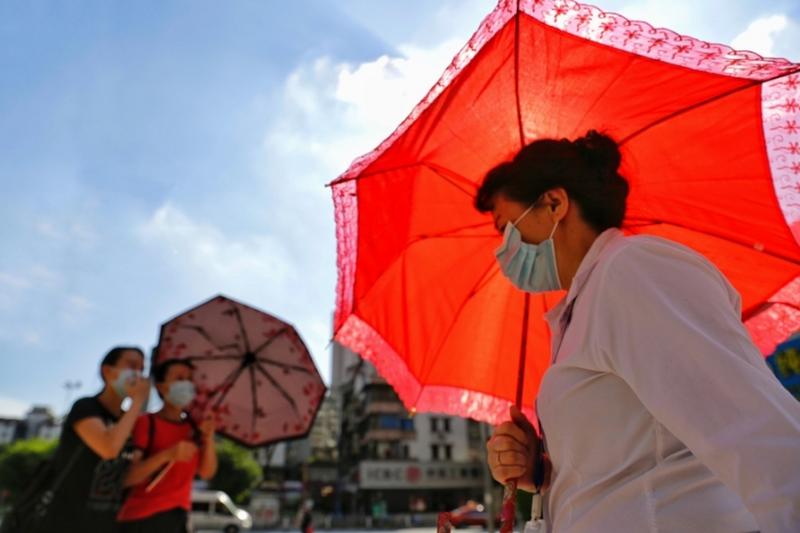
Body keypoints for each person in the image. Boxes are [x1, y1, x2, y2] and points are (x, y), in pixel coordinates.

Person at [481, 131, 800, 532]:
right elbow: (632, 463)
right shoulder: (584, 304)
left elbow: (751, 426)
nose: (504, 251)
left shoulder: (632, 271)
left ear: (555, 203)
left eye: (507, 228)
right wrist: (544, 470)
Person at [43, 346, 150, 532]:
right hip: (65, 520)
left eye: (142, 369)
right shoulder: (86, 407)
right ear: (107, 371)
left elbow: (127, 476)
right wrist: (138, 401)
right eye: (132, 366)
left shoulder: (130, 420)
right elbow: (109, 448)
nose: (138, 374)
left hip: (106, 522)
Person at [117, 359, 217, 533]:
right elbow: (128, 477)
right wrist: (166, 455)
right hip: (143, 519)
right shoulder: (146, 423)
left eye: (189, 379)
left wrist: (208, 440)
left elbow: (206, 472)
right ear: (161, 387)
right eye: (179, 378)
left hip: (180, 517)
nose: (186, 384)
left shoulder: (195, 429)